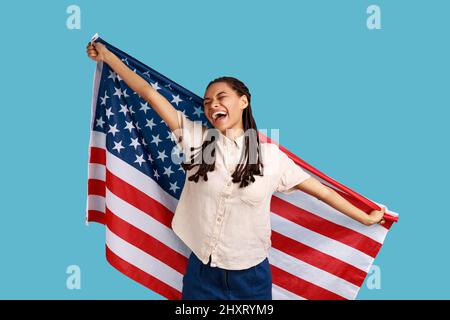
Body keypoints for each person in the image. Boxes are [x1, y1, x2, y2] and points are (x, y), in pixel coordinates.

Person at [86, 41, 386, 300]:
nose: (212, 105)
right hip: (201, 274)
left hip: (251, 281)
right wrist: (109, 59)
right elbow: (149, 94)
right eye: (207, 102)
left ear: (243, 101)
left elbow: (322, 193)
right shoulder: (198, 140)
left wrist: (364, 216)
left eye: (221, 97)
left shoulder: (270, 157)